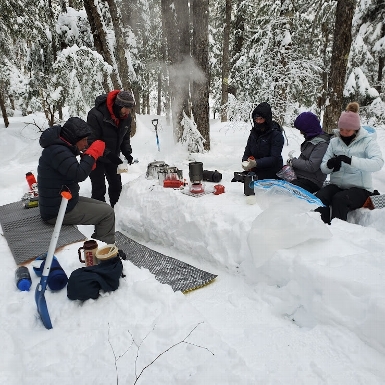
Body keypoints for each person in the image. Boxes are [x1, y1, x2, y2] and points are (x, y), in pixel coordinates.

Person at [37, 117, 116, 244]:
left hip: (62, 202)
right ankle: (105, 253)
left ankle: (99, 245)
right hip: (57, 211)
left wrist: (89, 162)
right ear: (73, 139)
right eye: (84, 140)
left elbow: (72, 171)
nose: (86, 144)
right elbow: (78, 175)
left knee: (106, 208)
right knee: (107, 214)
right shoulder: (58, 151)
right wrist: (92, 154)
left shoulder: (58, 148)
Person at [315, 102, 384, 224]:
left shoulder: (367, 142)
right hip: (337, 185)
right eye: (341, 129)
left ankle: (339, 233)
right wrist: (330, 165)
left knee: (339, 199)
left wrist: (351, 160)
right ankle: (322, 226)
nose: (344, 132)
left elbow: (378, 163)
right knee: (320, 197)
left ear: (356, 129)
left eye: (348, 130)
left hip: (361, 189)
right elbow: (323, 168)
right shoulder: (334, 142)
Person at [87, 90, 135, 208]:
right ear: (118, 105)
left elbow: (125, 138)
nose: (127, 112)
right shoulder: (96, 115)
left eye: (130, 109)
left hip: (112, 157)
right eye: (125, 108)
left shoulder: (126, 118)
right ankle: (100, 216)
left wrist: (127, 152)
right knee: (99, 188)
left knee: (116, 186)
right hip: (96, 157)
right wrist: (108, 154)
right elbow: (91, 140)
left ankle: (117, 212)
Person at [287, 111, 330, 193]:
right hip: (300, 176)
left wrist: (293, 162)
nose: (300, 133)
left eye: (302, 130)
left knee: (290, 188)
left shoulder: (322, 144)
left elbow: (312, 166)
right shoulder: (312, 139)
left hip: (312, 181)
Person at [240, 102, 284, 180]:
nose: (258, 121)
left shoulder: (276, 134)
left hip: (272, 170)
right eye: (256, 119)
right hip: (256, 168)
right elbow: (247, 151)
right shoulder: (254, 133)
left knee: (252, 180)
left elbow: (274, 158)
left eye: (261, 119)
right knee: (239, 178)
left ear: (267, 119)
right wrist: (245, 162)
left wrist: (256, 163)